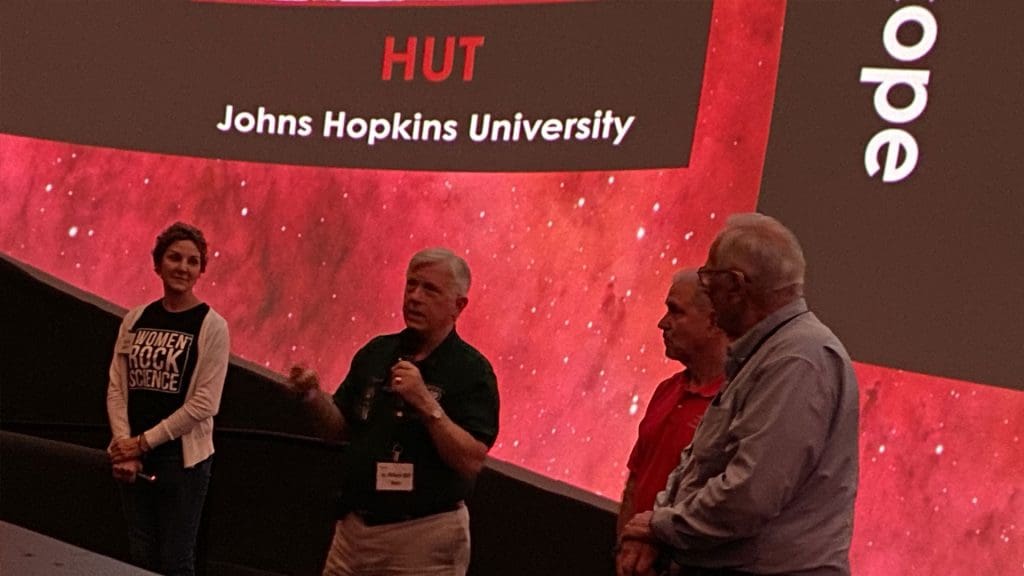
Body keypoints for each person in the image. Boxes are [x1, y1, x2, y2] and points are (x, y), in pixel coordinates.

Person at [619, 213, 859, 576]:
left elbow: (749, 496)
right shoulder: (762, 353)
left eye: (708, 279)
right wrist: (658, 526)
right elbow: (697, 463)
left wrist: (660, 526)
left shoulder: (798, 360)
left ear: (735, 286)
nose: (707, 294)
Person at [289, 247, 500, 576]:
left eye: (429, 289)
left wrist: (426, 403)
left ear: (458, 306)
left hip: (423, 538)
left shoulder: (472, 372)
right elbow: (340, 429)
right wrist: (312, 396)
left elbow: (471, 460)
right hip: (354, 532)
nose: (415, 297)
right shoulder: (377, 352)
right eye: (411, 285)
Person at [106, 222, 230, 576]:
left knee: (176, 560)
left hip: (183, 462)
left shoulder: (213, 326)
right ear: (157, 264)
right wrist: (123, 445)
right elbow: (117, 385)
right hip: (132, 457)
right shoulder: (135, 318)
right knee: (138, 555)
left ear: (201, 270)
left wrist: (142, 443)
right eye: (174, 258)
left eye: (193, 261)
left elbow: (205, 403)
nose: (183, 267)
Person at [615, 270, 728, 568]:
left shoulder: (735, 406)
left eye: (676, 312)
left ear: (714, 322)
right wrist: (624, 551)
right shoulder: (667, 390)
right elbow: (635, 481)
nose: (662, 324)